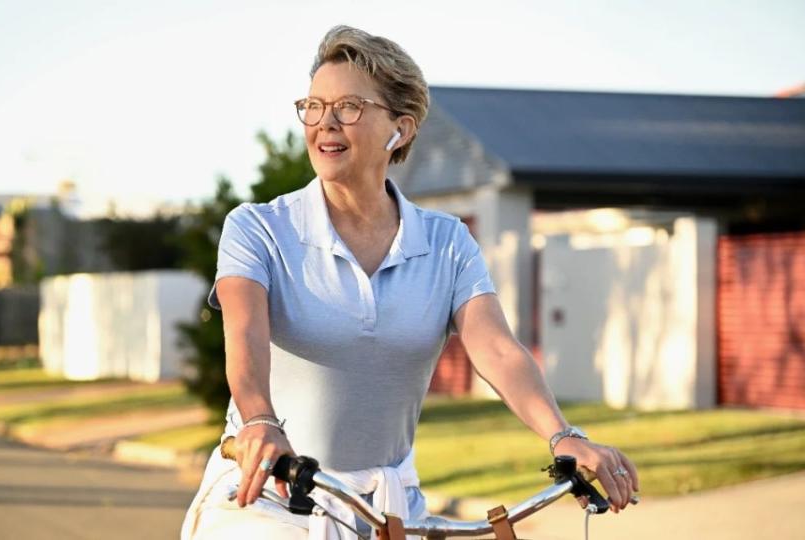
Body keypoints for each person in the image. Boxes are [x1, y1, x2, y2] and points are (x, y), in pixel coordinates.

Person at [180, 25, 638, 540]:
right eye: (313, 105)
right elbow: (244, 337)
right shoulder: (259, 228)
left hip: (389, 507)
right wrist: (260, 421)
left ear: (401, 129)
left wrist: (563, 436)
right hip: (266, 491)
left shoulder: (446, 242)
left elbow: (498, 350)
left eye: (348, 106)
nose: (324, 123)